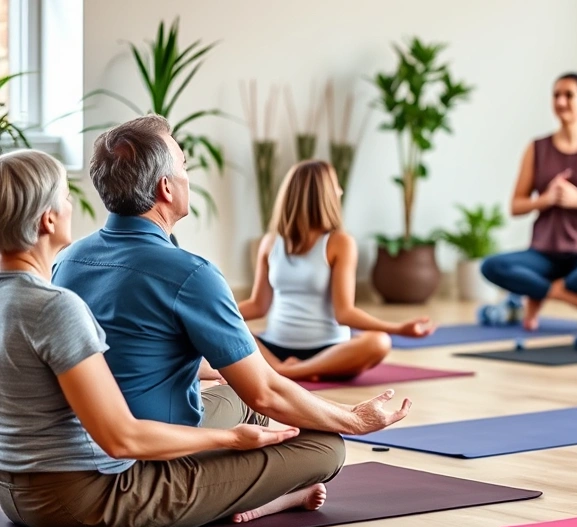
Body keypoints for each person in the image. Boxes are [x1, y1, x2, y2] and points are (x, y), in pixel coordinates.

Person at [0, 149, 389, 527]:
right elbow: (120, 438)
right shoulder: (58, 306)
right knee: (325, 447)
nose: (72, 206)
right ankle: (262, 499)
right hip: (86, 496)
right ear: (49, 219)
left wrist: (204, 369)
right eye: (67, 198)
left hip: (14, 495)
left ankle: (244, 488)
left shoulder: (53, 275)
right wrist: (231, 439)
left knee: (238, 395)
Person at [52, 115, 409, 436]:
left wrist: (198, 364)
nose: (188, 177)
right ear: (166, 187)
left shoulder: (66, 262)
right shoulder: (192, 273)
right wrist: (355, 419)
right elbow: (264, 393)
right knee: (322, 445)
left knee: (239, 382)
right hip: (157, 451)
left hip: (83, 440)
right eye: (184, 166)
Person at [238, 160, 435, 381]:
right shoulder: (270, 242)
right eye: (335, 185)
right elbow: (258, 305)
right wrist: (208, 315)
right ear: (322, 195)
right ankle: (282, 368)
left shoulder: (339, 242)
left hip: (328, 350)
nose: (340, 191)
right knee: (228, 331)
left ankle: (287, 372)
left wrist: (397, 329)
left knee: (378, 342)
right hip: (273, 348)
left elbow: (344, 313)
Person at [480, 72, 577, 332]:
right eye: (556, 95)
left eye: (568, 95)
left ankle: (543, 291)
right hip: (543, 253)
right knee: (492, 266)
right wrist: (547, 199)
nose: (560, 102)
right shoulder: (536, 148)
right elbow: (516, 206)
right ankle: (575, 299)